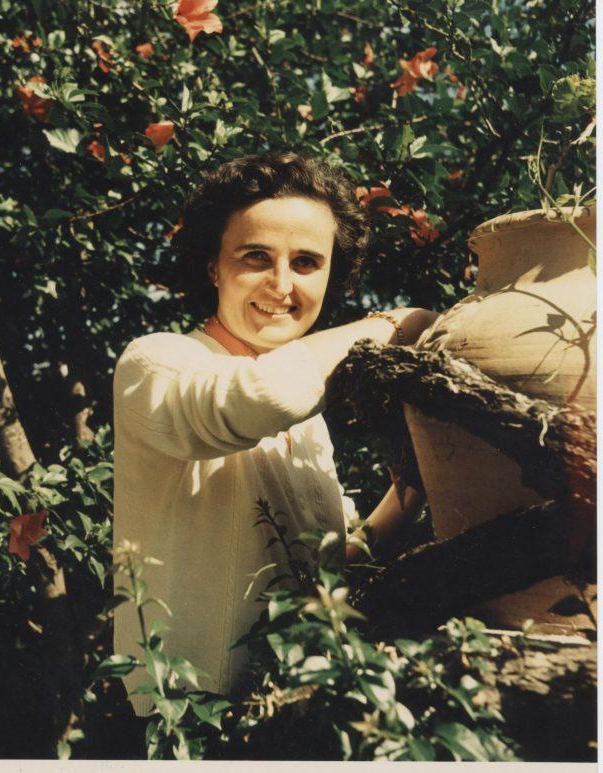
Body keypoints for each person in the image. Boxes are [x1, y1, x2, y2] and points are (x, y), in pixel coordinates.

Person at [112, 152, 438, 714]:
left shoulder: (308, 416)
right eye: (255, 256)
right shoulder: (157, 363)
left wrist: (415, 488)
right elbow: (265, 395)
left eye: (308, 262)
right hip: (188, 729)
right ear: (213, 264)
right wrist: (395, 323)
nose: (282, 284)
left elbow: (333, 564)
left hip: (293, 713)